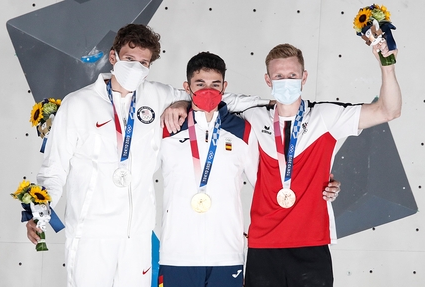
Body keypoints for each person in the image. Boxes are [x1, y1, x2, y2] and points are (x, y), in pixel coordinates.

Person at [25, 24, 270, 287]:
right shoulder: (78, 104)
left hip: (139, 237)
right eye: (129, 59)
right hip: (91, 234)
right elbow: (54, 169)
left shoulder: (157, 95)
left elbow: (206, 97)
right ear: (113, 57)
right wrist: (38, 211)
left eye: (144, 62)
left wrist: (276, 105)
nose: (136, 68)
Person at [157, 52, 342, 287]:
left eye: (215, 85)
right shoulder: (167, 126)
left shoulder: (243, 130)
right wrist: (180, 103)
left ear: (225, 87)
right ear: (187, 87)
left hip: (228, 254)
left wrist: (323, 184)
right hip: (176, 253)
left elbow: (271, 178)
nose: (208, 91)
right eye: (200, 84)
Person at [242, 42, 401, 287]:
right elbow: (206, 107)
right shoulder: (252, 116)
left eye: (292, 75)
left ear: (304, 77)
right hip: (264, 244)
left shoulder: (326, 116)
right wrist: (179, 105)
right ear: (268, 79)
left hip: (311, 243)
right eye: (279, 76)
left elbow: (388, 111)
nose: (286, 81)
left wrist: (387, 67)